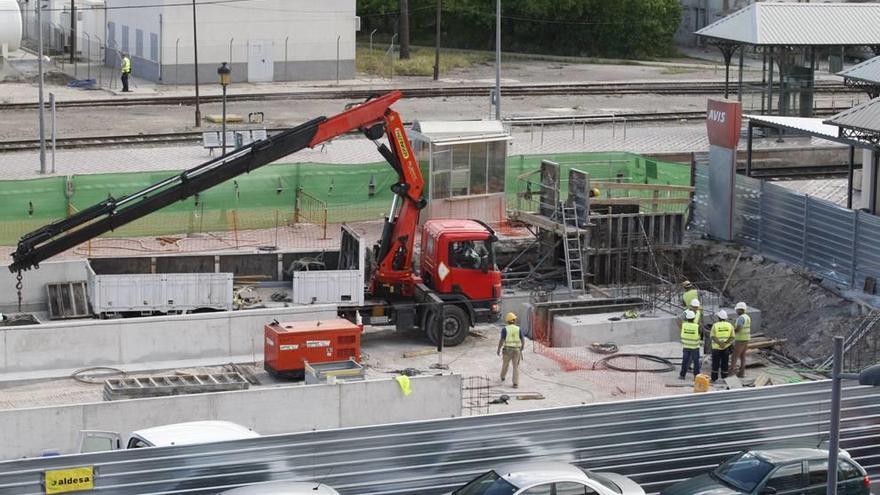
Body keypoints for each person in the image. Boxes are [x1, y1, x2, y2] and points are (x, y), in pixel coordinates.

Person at [497, 312, 525, 388]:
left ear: (507, 321)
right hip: (516, 350)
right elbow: (522, 339)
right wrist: (522, 347)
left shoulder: (504, 329)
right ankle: (515, 383)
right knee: (515, 366)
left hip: (507, 350)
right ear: (514, 320)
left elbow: (502, 340)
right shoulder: (518, 329)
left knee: (505, 364)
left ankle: (502, 376)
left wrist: (498, 349)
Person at [709, 310, 735, 382]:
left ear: (718, 317)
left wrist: (719, 343)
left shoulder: (715, 325)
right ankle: (725, 378)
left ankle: (714, 379)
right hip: (725, 348)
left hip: (716, 348)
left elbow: (712, 336)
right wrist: (725, 343)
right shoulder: (730, 325)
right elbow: (732, 337)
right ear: (725, 318)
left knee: (715, 363)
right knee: (725, 364)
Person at [730, 302, 751, 378]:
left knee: (734, 357)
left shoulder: (741, 318)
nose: (736, 311)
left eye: (737, 310)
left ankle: (731, 374)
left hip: (740, 339)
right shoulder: (747, 317)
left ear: (740, 310)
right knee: (742, 356)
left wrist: (731, 332)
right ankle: (741, 373)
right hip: (746, 338)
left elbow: (738, 328)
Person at [679, 310, 701, 380]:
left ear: (687, 318)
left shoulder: (684, 325)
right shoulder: (697, 326)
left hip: (686, 346)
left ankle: (682, 375)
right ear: (694, 318)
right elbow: (700, 334)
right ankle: (696, 377)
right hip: (695, 347)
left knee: (685, 361)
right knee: (696, 362)